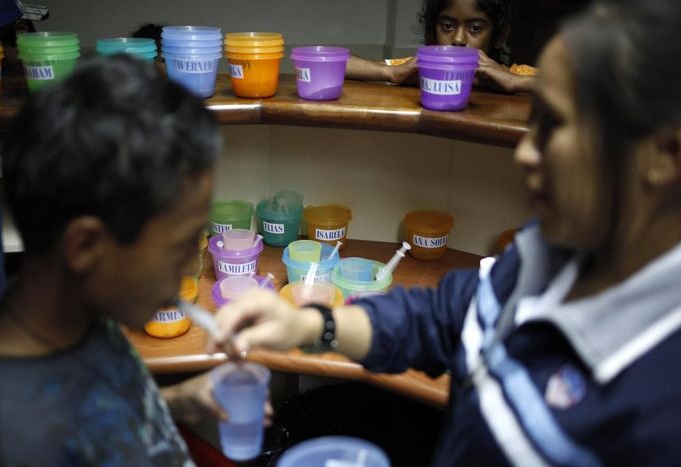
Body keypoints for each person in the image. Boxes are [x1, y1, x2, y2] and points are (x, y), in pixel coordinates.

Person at [215, 0, 681, 465]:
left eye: (555, 126)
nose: (524, 154)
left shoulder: (661, 400)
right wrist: (311, 324)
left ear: (664, 154)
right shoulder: (547, 256)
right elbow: (442, 319)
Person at [0, 55, 229, 465]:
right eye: (180, 246)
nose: (190, 268)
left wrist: (177, 401)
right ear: (85, 247)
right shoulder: (24, 441)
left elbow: (99, 415)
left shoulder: (86, 313)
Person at [346, 0, 536, 93]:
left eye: (475, 28)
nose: (459, 39)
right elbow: (343, 64)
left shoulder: (516, 74)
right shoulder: (421, 70)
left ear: (500, 35)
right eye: (447, 26)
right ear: (433, 30)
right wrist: (392, 73)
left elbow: (565, 87)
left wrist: (514, 82)